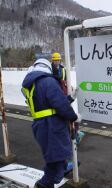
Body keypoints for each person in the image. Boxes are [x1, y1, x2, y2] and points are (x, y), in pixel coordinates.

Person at [22, 58, 81, 188]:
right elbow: (59, 104)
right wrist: (74, 117)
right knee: (57, 162)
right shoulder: (48, 81)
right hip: (52, 126)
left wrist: (70, 98)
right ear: (48, 68)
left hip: (41, 126)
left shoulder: (31, 84)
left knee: (53, 158)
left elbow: (47, 104)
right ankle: (44, 184)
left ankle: (60, 171)